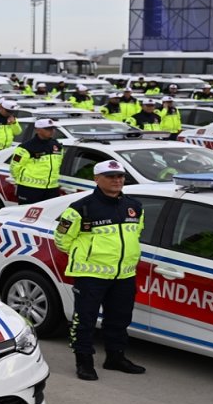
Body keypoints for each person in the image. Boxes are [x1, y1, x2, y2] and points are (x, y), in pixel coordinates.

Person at [53, 159, 146, 381]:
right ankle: (84, 361)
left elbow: (136, 234)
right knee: (84, 320)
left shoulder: (134, 206)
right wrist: (89, 256)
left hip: (124, 274)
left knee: (120, 318)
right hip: (90, 275)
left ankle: (115, 357)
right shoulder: (81, 208)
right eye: (110, 176)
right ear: (97, 179)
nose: (117, 180)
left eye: (120, 176)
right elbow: (62, 240)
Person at [10, 118, 63, 204]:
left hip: (51, 189)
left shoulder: (57, 145)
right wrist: (22, 181)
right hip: (29, 189)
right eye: (48, 129)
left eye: (53, 129)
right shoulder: (25, 147)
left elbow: (59, 163)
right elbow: (14, 167)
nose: (52, 131)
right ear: (38, 130)